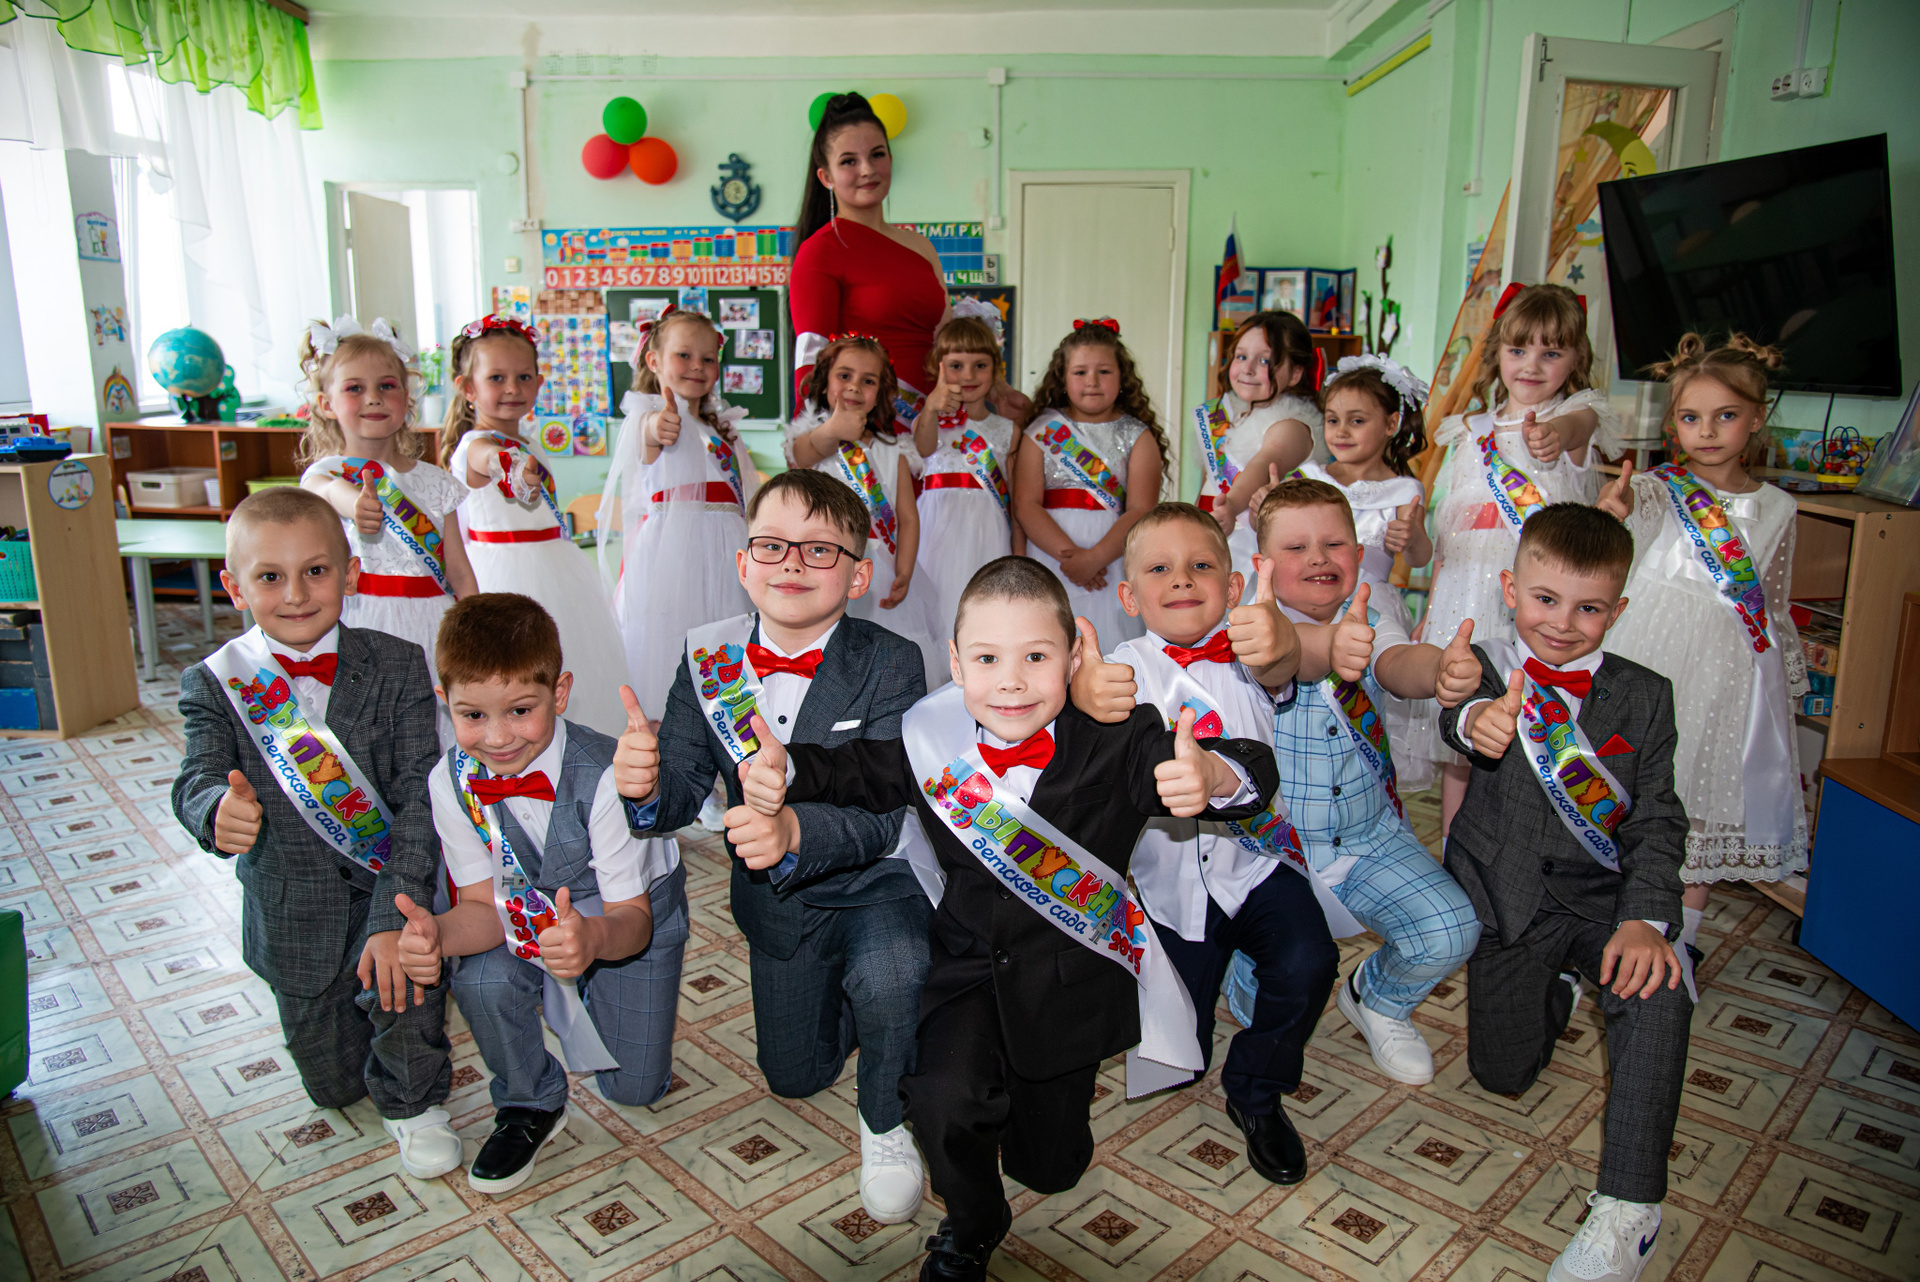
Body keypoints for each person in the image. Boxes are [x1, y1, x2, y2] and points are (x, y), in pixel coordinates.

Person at [728, 555, 1279, 1282]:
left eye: (1036, 657)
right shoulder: (934, 741)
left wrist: (1212, 774)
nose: (1011, 682)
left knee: (1051, 1167)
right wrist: (789, 767)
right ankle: (972, 1221)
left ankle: (1039, 1125)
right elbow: (855, 768)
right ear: (956, 662)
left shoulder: (1121, 737)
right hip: (965, 971)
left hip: (1070, 982)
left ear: (1074, 658)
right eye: (987, 659)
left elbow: (1251, 766)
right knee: (941, 1103)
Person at [612, 468, 936, 1227]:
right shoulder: (707, 658)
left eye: (820, 549)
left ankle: (886, 1116)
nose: (792, 563)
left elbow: (885, 811)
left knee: (894, 971)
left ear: (858, 576)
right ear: (743, 563)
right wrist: (643, 784)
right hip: (776, 900)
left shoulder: (893, 660)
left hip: (876, 881)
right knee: (794, 1076)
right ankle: (857, 1006)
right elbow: (681, 787)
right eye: (772, 545)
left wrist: (794, 831)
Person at [170, 487, 459, 1180]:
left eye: (316, 571)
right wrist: (213, 809)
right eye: (270, 576)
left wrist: (392, 916)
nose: (296, 594)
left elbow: (418, 800)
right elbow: (195, 776)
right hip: (292, 913)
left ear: (350, 573)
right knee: (333, 1088)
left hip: (390, 892)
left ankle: (417, 1102)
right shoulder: (214, 683)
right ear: (234, 587)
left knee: (405, 987)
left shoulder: (398, 662)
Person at [1439, 502, 1690, 1282]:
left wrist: (1647, 919)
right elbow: (1458, 715)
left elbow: (1657, 817)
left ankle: (1629, 1209)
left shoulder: (1646, 695)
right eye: (1546, 599)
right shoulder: (1485, 667)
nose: (1563, 623)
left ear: (1618, 609)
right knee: (1502, 1075)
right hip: (1509, 900)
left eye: (1589, 608)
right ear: (1511, 589)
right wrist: (1477, 722)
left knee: (1660, 986)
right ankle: (1557, 990)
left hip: (1604, 900)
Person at [1067, 502, 1338, 1187]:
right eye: (1160, 569)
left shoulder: (1256, 651)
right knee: (1178, 1053)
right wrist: (1082, 693)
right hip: (1169, 884)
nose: (1183, 579)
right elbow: (1080, 715)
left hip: (1258, 864)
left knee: (1309, 961)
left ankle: (1257, 1088)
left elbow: (1287, 657)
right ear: (1129, 597)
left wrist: (1279, 640)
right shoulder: (1120, 668)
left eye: (1202, 566)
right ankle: (1205, 1008)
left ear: (1234, 585)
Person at [390, 593, 686, 1196]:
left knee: (634, 1089)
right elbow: (482, 908)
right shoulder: (449, 781)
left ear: (560, 692)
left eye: (521, 710)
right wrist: (437, 936)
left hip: (628, 912)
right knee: (480, 979)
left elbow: (632, 920)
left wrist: (590, 940)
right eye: (473, 715)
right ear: (445, 703)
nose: (498, 738)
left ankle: (596, 991)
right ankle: (530, 1101)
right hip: (524, 907)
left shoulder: (605, 775)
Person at [1223, 479, 1484, 1085]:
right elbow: (1282, 659)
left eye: (1334, 544)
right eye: (1296, 548)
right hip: (1276, 853)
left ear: (1359, 555)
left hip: (1370, 837)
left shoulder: (1371, 615)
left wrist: (1439, 669)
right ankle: (1245, 958)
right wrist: (1308, 646)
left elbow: (1396, 663)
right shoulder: (1248, 629)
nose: (1318, 558)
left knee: (1453, 929)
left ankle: (1378, 999)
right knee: (1267, 1000)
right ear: (1262, 564)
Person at [1598, 334, 1805, 965]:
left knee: (1698, 797)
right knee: (1624, 785)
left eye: (1726, 415)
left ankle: (1681, 941)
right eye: (1691, 417)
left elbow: (1771, 606)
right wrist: (1613, 511)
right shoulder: (1655, 489)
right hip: (1647, 656)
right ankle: (1601, 921)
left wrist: (1781, 683)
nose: (1707, 431)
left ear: (1757, 418)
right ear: (1673, 424)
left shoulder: (1779, 508)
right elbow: (1619, 541)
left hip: (1721, 677)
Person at [1424, 284, 1621, 835]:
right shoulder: (1470, 431)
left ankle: (1521, 842)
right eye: (1518, 350)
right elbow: (1449, 536)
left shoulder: (1574, 419)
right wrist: (1431, 607)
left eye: (1550, 352)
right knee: (1463, 733)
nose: (1531, 365)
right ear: (1498, 354)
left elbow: (1574, 429)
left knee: (1530, 727)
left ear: (1575, 360)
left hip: (1534, 606)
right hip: (1464, 596)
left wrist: (1554, 434)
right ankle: (1455, 845)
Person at [788, 93, 1030, 431]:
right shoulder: (819, 251)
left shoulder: (920, 246)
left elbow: (949, 343)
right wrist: (816, 443)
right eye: (849, 161)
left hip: (938, 430)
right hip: (868, 437)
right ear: (826, 176)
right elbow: (811, 365)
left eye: (877, 155)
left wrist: (997, 389)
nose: (867, 169)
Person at [439, 315, 631, 738]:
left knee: (572, 659)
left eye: (523, 377)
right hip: (506, 574)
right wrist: (507, 469)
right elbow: (490, 460)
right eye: (497, 378)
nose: (512, 388)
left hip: (558, 567)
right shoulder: (474, 445)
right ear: (468, 388)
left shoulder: (531, 443)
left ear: (539, 383)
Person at [297, 315, 478, 750]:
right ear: (326, 403)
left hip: (433, 624)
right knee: (369, 734)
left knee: (433, 732)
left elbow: (459, 571)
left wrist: (477, 631)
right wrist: (354, 504)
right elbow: (325, 491)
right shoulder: (326, 474)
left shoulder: (435, 482)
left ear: (406, 396)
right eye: (354, 388)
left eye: (387, 386)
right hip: (361, 622)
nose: (373, 398)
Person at [606, 307, 757, 713]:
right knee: (671, 640)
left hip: (726, 550)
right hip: (674, 557)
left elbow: (747, 492)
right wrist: (658, 427)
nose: (697, 366)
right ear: (653, 360)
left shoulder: (722, 428)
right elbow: (649, 437)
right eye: (684, 355)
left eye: (708, 358)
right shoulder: (649, 417)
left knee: (726, 638)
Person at [1301, 355, 1437, 791]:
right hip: (1307, 602)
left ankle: (1361, 784)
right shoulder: (1309, 476)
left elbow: (1420, 556)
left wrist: (1412, 536)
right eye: (1333, 420)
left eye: (1356, 421)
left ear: (1391, 423)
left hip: (1369, 602)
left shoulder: (1404, 490)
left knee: (1361, 700)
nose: (1341, 431)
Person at [784, 332, 942, 686]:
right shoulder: (812, 439)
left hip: (882, 569)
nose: (855, 386)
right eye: (844, 376)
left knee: (886, 659)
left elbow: (907, 518)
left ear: (881, 392)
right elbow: (803, 456)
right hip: (824, 567)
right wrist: (835, 429)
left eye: (868, 381)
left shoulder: (894, 448)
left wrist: (904, 570)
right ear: (824, 380)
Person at [1014, 318, 1167, 646]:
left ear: (1122, 377)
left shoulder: (1138, 436)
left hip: (1113, 558)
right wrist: (1072, 558)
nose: (1092, 381)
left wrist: (1095, 558)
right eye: (1080, 372)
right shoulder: (1040, 432)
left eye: (1104, 371)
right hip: (1051, 556)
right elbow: (1026, 504)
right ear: (1063, 378)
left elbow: (1141, 509)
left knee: (1109, 640)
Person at [912, 313, 1024, 652]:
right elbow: (923, 449)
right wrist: (931, 408)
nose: (969, 375)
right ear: (938, 367)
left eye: (980, 366)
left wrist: (1019, 557)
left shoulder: (1008, 430)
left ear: (995, 370)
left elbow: (1016, 501)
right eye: (956, 366)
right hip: (936, 531)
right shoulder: (928, 421)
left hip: (987, 533)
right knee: (936, 611)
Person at [1193, 311, 1326, 579]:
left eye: (1264, 360)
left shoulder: (1293, 425)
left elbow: (1263, 464)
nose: (1247, 369)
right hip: (1210, 537)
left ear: (1295, 373)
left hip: (1250, 551)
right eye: (1241, 356)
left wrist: (1231, 505)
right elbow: (1210, 484)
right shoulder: (1226, 416)